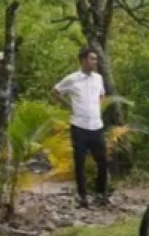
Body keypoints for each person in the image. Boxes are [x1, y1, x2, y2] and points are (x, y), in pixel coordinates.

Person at [52, 46, 108, 209]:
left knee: (103, 161)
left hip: (96, 126)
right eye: (92, 59)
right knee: (80, 163)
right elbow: (55, 91)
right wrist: (68, 105)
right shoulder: (72, 79)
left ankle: (101, 193)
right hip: (79, 126)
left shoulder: (98, 78)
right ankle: (82, 196)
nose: (94, 62)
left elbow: (102, 94)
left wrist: (97, 107)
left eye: (96, 59)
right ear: (83, 60)